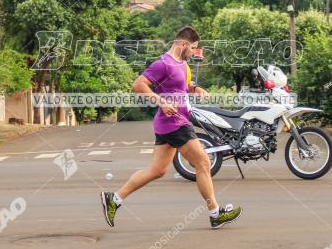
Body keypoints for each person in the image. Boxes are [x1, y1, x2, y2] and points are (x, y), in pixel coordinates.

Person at [100, 26, 242, 229]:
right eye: (192, 48)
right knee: (202, 162)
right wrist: (161, 102)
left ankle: (114, 199)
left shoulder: (182, 64)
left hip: (171, 122)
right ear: (183, 44)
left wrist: (195, 89)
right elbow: (138, 84)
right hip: (175, 122)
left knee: (157, 170)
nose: (194, 52)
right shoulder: (163, 64)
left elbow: (182, 87)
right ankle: (215, 213)